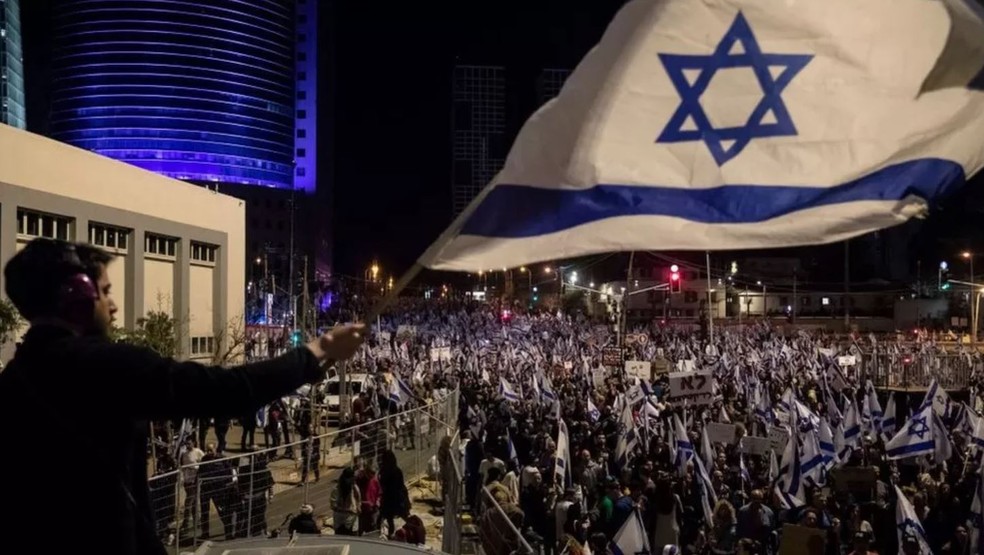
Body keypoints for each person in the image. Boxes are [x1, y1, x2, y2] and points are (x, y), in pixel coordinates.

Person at [0, 239, 367, 555]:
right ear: (78, 297)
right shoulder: (105, 366)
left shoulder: (13, 380)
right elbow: (226, 390)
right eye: (106, 292)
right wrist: (320, 350)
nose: (113, 306)